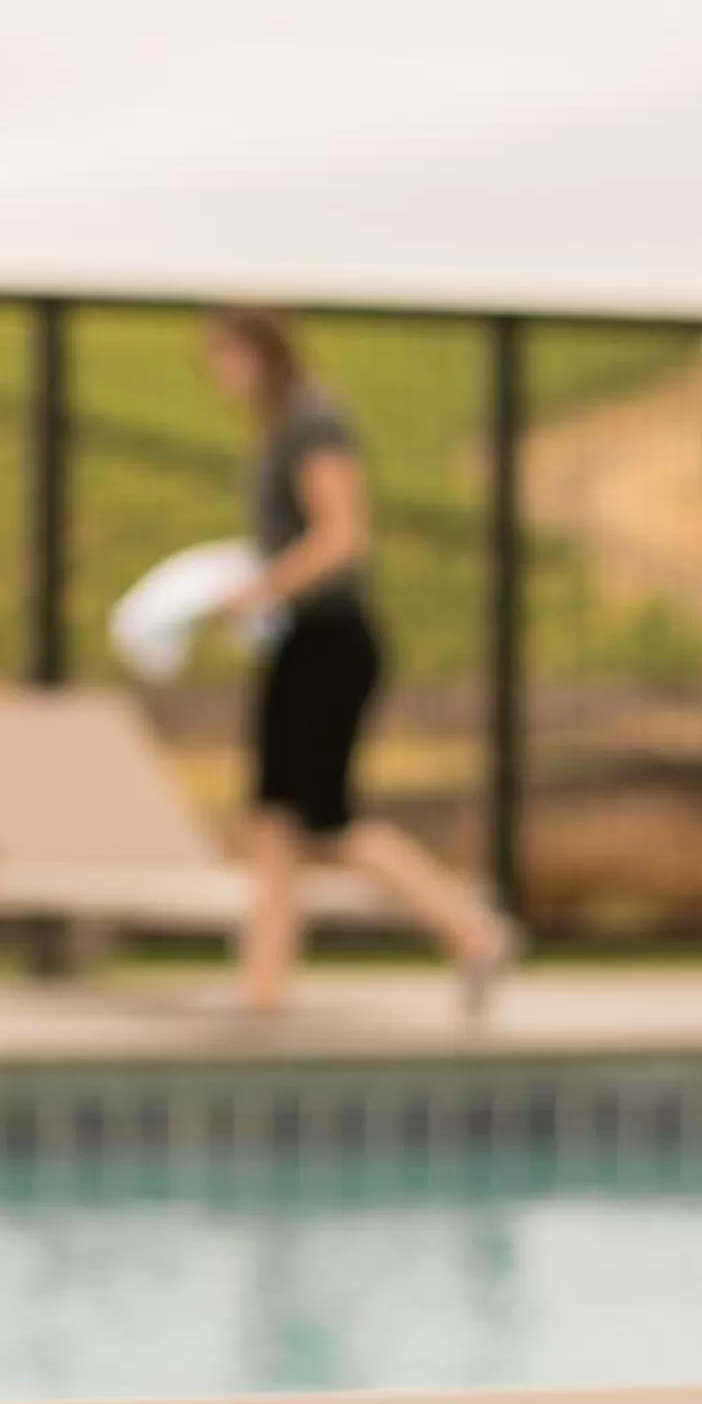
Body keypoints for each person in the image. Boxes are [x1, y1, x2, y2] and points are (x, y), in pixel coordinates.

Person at [203, 305, 518, 1018]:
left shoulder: (314, 423)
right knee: (275, 823)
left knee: (325, 823)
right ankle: (263, 989)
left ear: (257, 352)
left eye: (223, 356)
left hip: (331, 642)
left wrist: (260, 589)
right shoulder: (285, 426)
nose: (218, 374)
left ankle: (472, 930)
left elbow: (342, 536)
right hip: (299, 641)